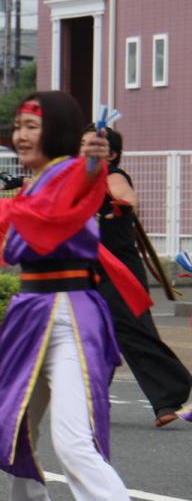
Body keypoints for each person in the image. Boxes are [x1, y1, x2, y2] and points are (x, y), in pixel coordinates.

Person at [0, 91, 162, 501]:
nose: (20, 134)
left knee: (72, 441)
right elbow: (9, 215)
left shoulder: (69, 174)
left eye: (31, 126)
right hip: (31, 311)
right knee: (16, 430)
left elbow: (82, 181)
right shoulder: (40, 180)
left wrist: (93, 160)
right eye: (17, 124)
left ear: (57, 131)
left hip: (69, 312)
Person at [93, 129, 191, 427]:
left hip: (118, 271)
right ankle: (89, 399)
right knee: (92, 334)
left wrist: (121, 203)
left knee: (133, 332)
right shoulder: (78, 180)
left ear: (110, 154)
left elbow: (127, 196)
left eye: (95, 145)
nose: (87, 149)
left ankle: (168, 396)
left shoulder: (113, 174)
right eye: (83, 144)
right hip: (89, 268)